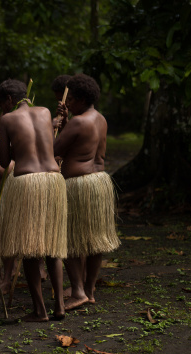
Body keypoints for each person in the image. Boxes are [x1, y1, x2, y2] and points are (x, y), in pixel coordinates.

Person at [0, 79, 68, 322]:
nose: (2, 109)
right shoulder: (46, 112)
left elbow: (5, 162)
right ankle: (59, 306)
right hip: (53, 179)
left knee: (29, 249)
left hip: (28, 182)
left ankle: (40, 311)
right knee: (53, 247)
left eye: (2, 104)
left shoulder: (6, 119)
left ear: (8, 100)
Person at [53, 74, 120, 311]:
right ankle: (89, 291)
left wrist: (58, 124)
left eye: (70, 99)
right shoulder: (100, 119)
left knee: (71, 239)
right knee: (95, 240)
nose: (67, 102)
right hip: (99, 182)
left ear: (81, 99)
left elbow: (55, 149)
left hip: (78, 184)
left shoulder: (78, 122)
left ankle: (78, 292)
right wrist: (67, 119)